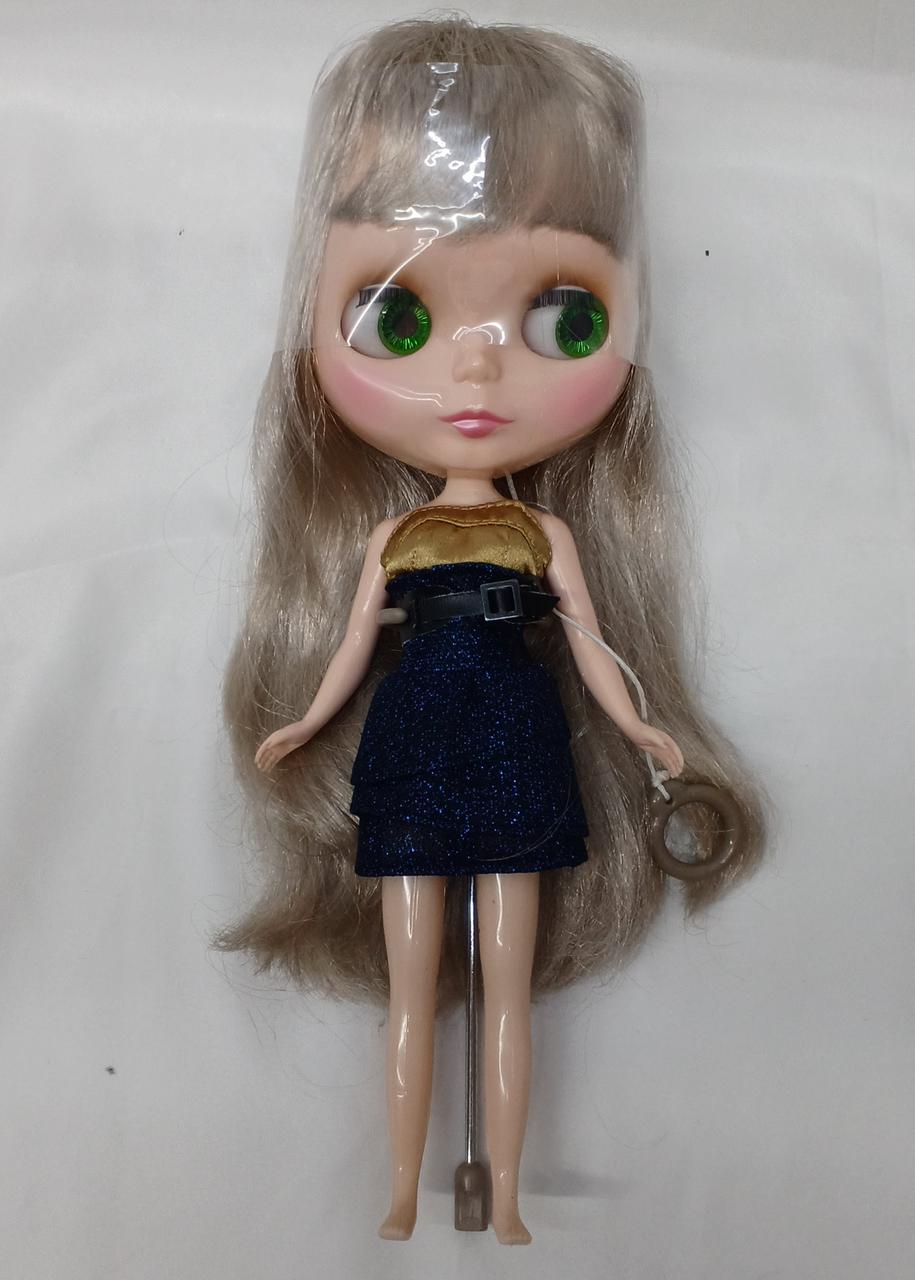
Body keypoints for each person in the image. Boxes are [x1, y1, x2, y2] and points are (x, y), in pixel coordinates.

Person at [214, 16, 766, 1245]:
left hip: (518, 739)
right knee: (413, 984)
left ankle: (503, 1194)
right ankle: (401, 1186)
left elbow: (593, 644)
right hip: (412, 740)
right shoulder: (392, 537)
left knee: (504, 985)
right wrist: (307, 719)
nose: (474, 376)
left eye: (562, 316)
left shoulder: (542, 533)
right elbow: (352, 645)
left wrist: (642, 727)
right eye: (397, 317)